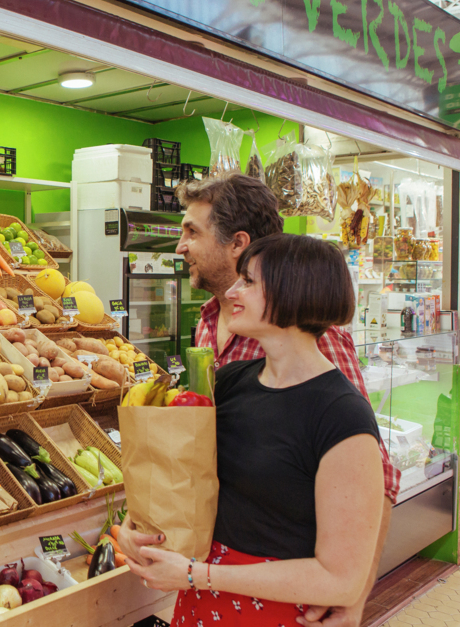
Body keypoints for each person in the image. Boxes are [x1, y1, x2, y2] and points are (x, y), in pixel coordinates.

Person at [118, 175, 399, 627]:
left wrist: (355, 594)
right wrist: (139, 528)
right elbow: (193, 468)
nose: (180, 246)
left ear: (290, 293)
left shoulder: (335, 402)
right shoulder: (227, 368)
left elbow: (371, 487)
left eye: (193, 232)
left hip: (281, 606)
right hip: (205, 600)